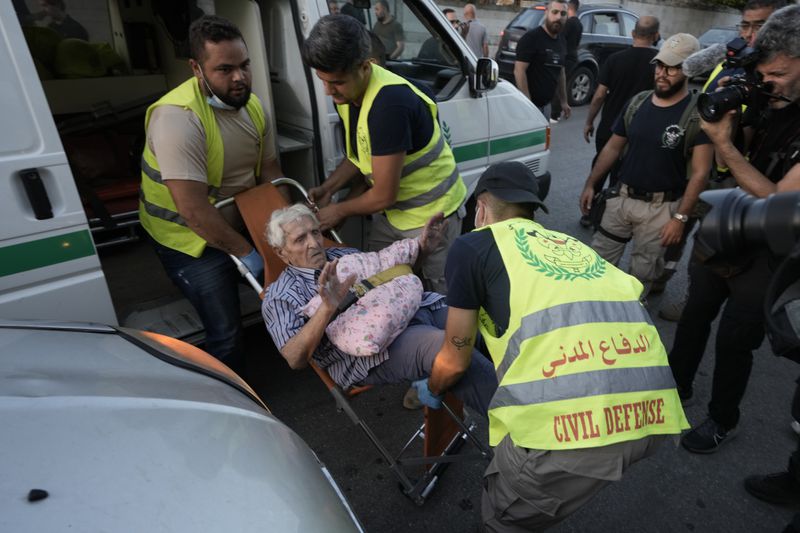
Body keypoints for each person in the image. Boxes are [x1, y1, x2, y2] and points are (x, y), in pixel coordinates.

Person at [412, 161, 688, 532]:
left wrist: (431, 388)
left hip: (572, 432)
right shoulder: (570, 244)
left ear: (480, 206)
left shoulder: (472, 246)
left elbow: (455, 359)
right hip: (653, 412)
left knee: (503, 517)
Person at [668, 4, 800, 454]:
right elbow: (727, 163)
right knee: (693, 318)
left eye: (780, 73)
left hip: (771, 247)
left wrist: (724, 143)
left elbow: (783, 199)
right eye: (764, 73)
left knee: (735, 341)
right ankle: (673, 389)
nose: (770, 83)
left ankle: (723, 419)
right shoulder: (765, 91)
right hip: (727, 224)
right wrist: (730, 124)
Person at [139, 15, 285, 373]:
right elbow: (193, 211)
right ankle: (230, 399)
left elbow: (271, 176)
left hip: (238, 221)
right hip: (188, 237)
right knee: (226, 332)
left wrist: (286, 232)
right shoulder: (178, 118)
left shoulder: (253, 106)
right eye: (224, 69)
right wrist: (248, 253)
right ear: (196, 69)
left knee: (290, 287)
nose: (239, 77)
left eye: (245, 66)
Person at [262, 204, 497, 415]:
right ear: (281, 252)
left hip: (410, 310)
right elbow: (294, 358)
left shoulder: (342, 254)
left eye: (315, 232)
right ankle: (519, 424)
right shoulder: (279, 296)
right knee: (450, 350)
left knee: (476, 323)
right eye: (300, 239)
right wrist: (327, 308)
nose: (313, 243)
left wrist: (424, 250)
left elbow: (392, 276)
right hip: (369, 353)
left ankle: (436, 386)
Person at [301, 15, 467, 294]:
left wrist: (338, 210)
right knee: (380, 288)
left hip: (433, 218)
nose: (329, 91)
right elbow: (361, 155)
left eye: (337, 82)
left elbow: (383, 195)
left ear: (365, 66)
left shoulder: (390, 106)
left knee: (438, 299)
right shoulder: (349, 95)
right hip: (395, 217)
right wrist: (330, 187)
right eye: (323, 80)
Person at [658, 0, 785, 322]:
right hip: (705, 167)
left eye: (761, 26)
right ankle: (667, 281)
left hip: (745, 179)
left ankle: (712, 304)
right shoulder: (731, 60)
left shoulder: (784, 78)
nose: (751, 35)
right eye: (745, 26)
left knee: (721, 251)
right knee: (683, 232)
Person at [578, 33, 714, 298]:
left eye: (673, 68)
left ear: (689, 70)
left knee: (639, 281)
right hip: (621, 200)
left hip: (661, 210)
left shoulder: (697, 114)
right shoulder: (638, 102)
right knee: (595, 272)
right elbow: (612, 148)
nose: (662, 73)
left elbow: (700, 173)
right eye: (660, 65)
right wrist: (590, 184)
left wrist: (679, 218)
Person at [580, 15, 660, 227]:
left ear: (633, 34)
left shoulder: (615, 59)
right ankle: (606, 217)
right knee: (620, 176)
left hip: (609, 127)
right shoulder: (660, 64)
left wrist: (589, 121)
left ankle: (588, 213)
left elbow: (599, 95)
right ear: (656, 36)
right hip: (638, 131)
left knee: (600, 166)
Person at [514, 0, 571, 120]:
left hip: (546, 106)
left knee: (544, 138)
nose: (558, 17)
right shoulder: (531, 38)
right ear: (546, 13)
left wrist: (564, 101)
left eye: (563, 13)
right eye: (554, 12)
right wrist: (528, 105)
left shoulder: (562, 41)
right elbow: (519, 71)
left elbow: (560, 71)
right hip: (529, 107)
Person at [550, 0, 582, 122]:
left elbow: (561, 40)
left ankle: (554, 114)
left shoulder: (568, 23)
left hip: (565, 57)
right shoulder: (579, 24)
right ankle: (557, 112)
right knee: (563, 83)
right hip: (573, 56)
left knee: (559, 84)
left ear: (569, 8)